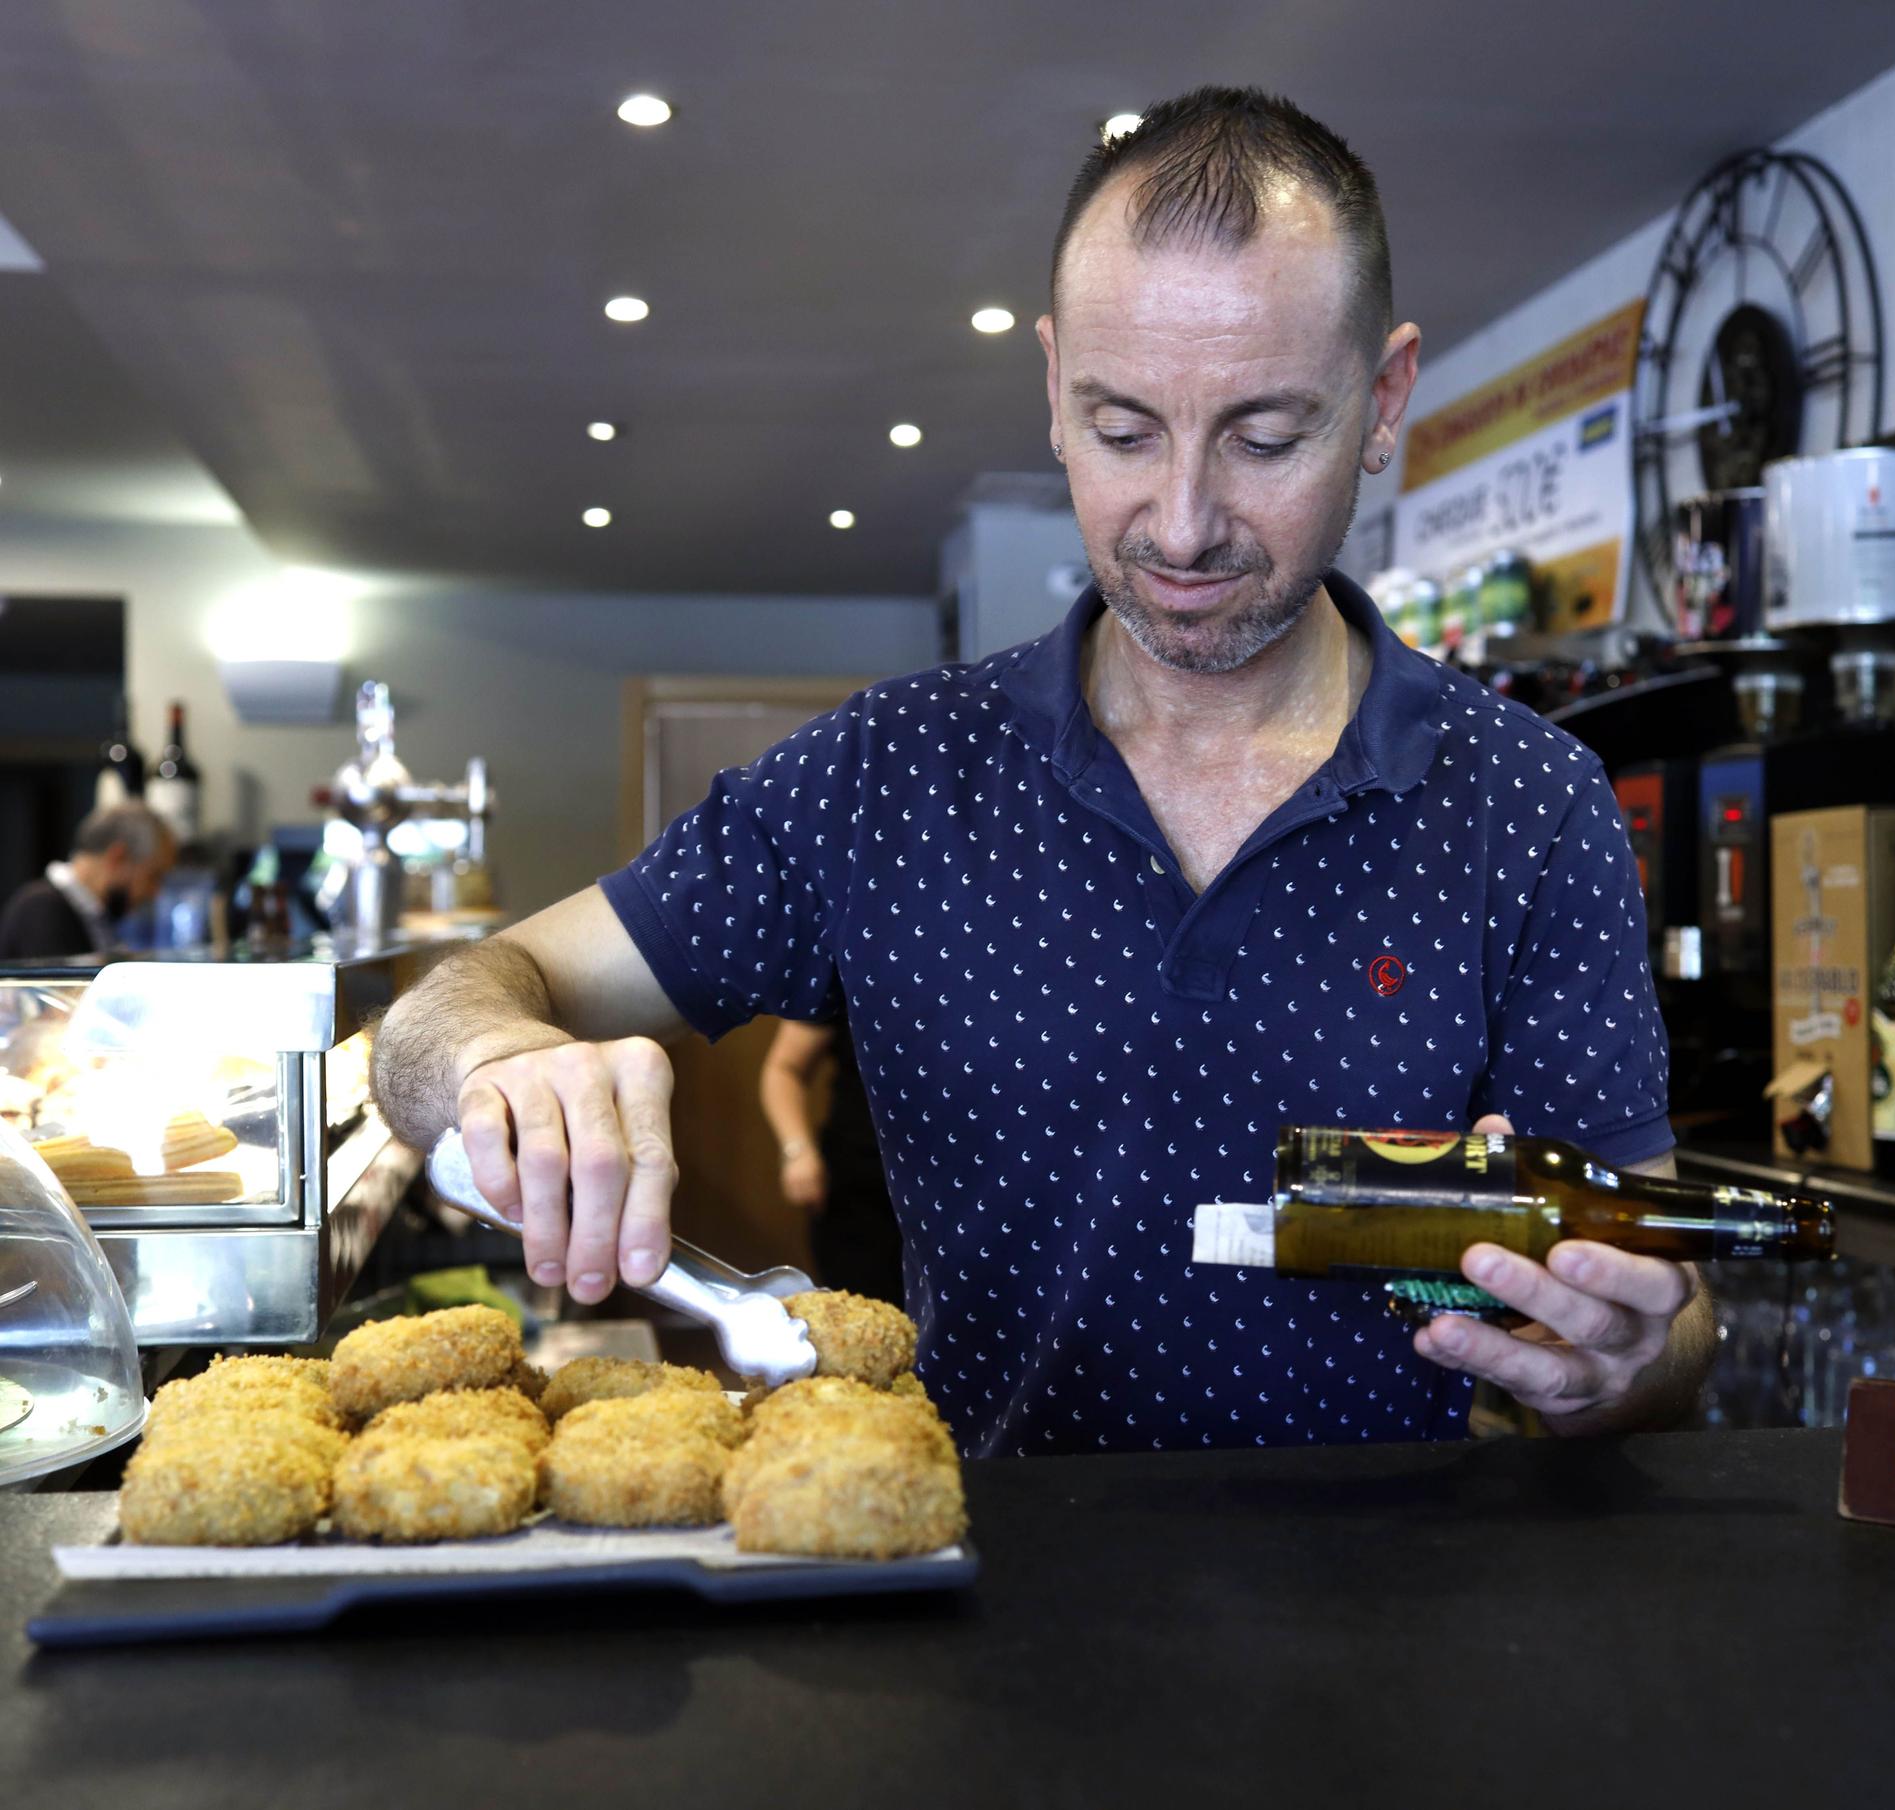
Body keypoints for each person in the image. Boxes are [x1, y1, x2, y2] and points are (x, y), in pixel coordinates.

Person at [374, 86, 1713, 1456]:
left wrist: (1626, 1359)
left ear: (1383, 400)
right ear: (1055, 385)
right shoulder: (890, 772)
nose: (1183, 522)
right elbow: (433, 1018)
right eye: (1125, 429)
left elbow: (1660, 1305)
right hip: (978, 1625)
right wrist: (500, 1057)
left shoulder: (1529, 802)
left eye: (1264, 438)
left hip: (1412, 1630)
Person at [760, 1011, 906, 1306]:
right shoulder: (847, 970)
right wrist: (797, 1152)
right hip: (861, 1194)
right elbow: (784, 1069)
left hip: (961, 1194)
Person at [0, 803, 177, 960]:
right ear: (118, 858)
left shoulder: (93, 916)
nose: (155, 892)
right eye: (153, 876)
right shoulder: (41, 909)